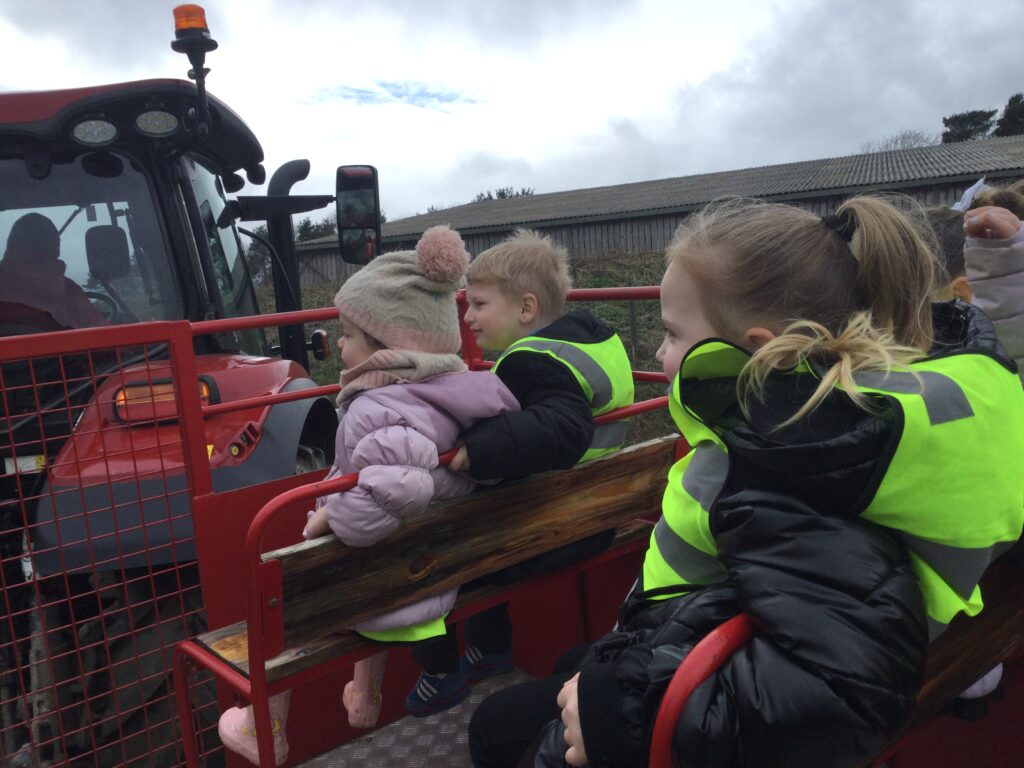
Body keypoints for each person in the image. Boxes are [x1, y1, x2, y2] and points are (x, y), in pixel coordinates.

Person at [469, 195, 1024, 768]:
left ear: (758, 348)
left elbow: (835, 693)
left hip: (696, 660)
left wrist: (625, 718)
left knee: (495, 727)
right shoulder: (854, 428)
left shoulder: (778, 466)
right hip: (706, 633)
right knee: (567, 667)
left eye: (671, 333)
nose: (658, 351)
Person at [216, 225, 519, 766]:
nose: (338, 344)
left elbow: (400, 490)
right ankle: (364, 694)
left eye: (349, 334)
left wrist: (329, 517)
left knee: (288, 598)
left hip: (398, 588)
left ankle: (266, 729)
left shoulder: (376, 408)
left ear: (388, 348)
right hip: (437, 565)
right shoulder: (462, 391)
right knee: (349, 567)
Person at [402, 229, 635, 718]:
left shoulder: (532, 361)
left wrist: (477, 449)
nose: (468, 317)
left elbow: (564, 429)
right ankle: (489, 649)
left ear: (527, 308)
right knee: (481, 519)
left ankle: (441, 672)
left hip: (554, 526)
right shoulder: (590, 339)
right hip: (595, 509)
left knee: (421, 549)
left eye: (479, 305)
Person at [0, 212, 106, 329]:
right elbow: (100, 329)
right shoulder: (68, 290)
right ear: (54, 248)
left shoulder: (5, 287)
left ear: (11, 246)